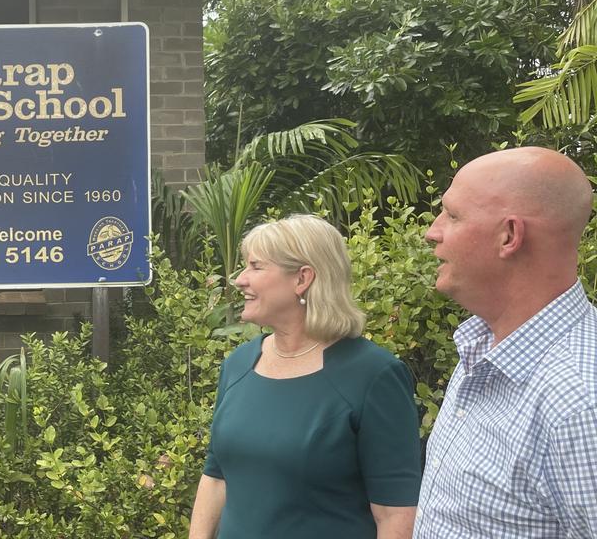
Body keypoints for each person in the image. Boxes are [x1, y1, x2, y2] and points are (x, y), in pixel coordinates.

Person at [188, 214, 421, 539]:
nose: (240, 279)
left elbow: (395, 514)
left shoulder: (373, 375)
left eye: (256, 266)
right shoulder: (239, 364)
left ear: (302, 279)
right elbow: (216, 476)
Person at [415, 147, 597, 538]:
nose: (433, 230)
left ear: (509, 235)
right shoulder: (483, 347)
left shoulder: (580, 403)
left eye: (453, 214)